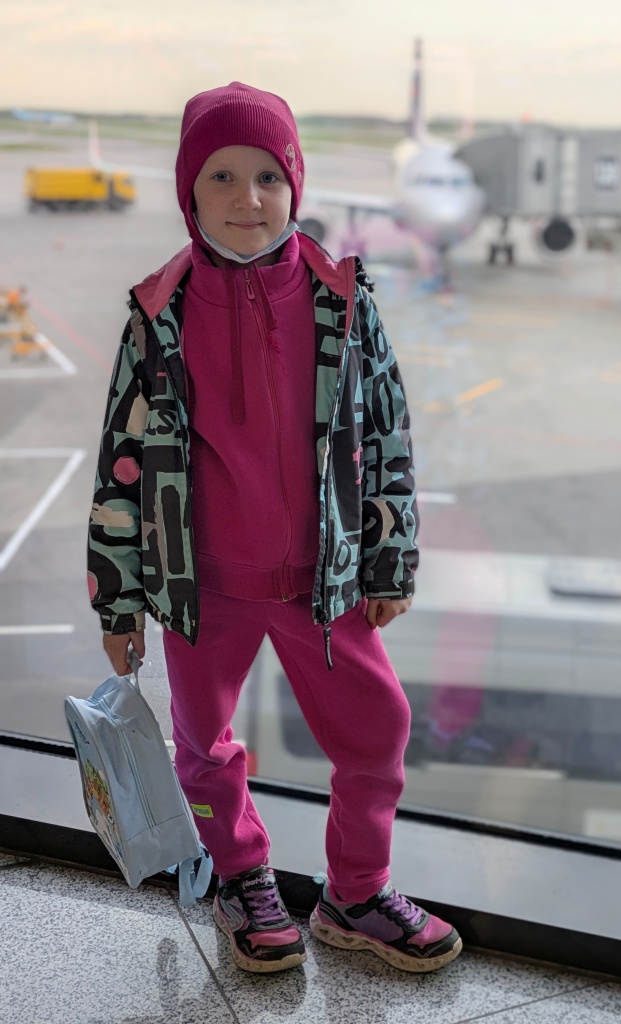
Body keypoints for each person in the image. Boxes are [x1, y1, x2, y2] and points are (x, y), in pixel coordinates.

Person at [87, 82, 462, 976]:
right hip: (203, 587)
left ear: (295, 185)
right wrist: (117, 598)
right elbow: (121, 464)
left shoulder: (342, 301)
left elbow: (386, 434)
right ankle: (241, 877)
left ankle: (355, 894)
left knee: (377, 732)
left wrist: (389, 561)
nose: (247, 199)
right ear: (188, 192)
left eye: (267, 177)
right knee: (203, 748)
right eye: (220, 177)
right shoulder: (159, 315)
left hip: (323, 583)